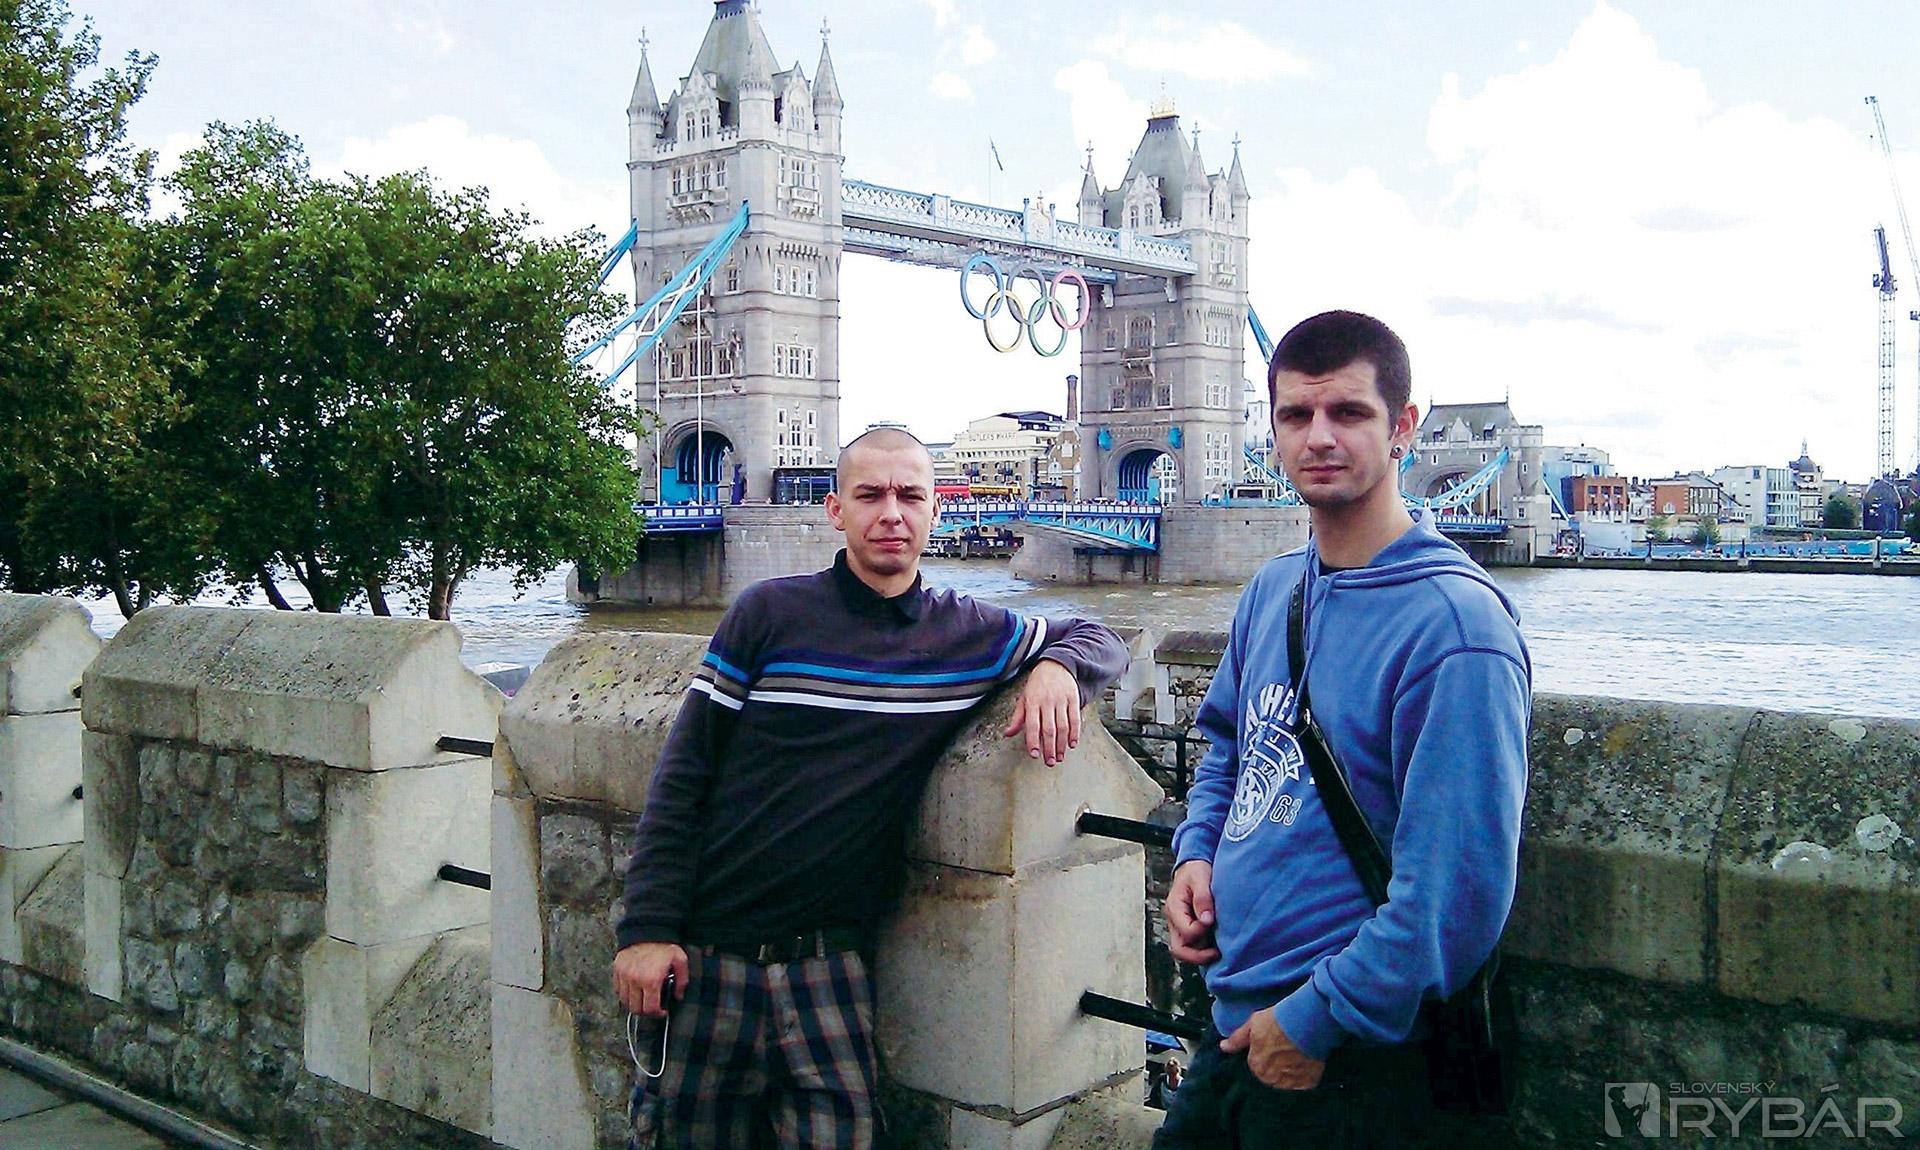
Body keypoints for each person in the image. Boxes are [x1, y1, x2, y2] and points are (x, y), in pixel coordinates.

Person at [612, 427, 1128, 1150]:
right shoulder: (767, 615)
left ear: (936, 511)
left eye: (910, 495)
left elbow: (1102, 637)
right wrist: (647, 929)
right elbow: (683, 774)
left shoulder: (966, 633)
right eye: (871, 495)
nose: (892, 513)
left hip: (829, 968)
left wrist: (1057, 669)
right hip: (709, 957)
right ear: (836, 510)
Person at [1156, 311, 1531, 1148]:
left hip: (1348, 1055)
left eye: (1349, 412)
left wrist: (1318, 1020)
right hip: (1233, 1023)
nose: (1319, 437)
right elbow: (1229, 748)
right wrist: (1196, 853)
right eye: (1296, 415)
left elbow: (1454, 897)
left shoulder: (1455, 629)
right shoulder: (1273, 590)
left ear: (1403, 427)